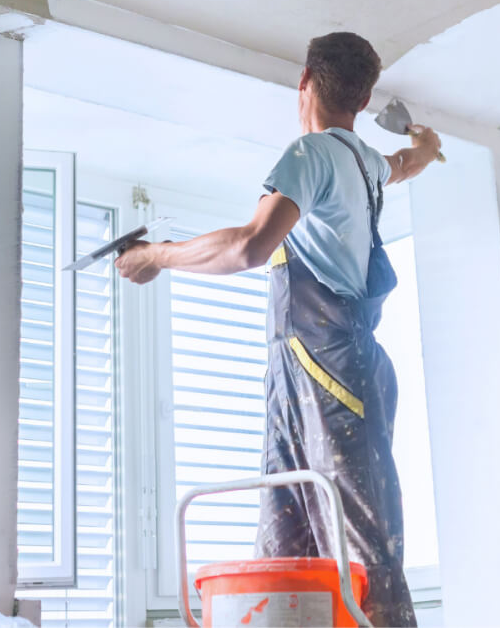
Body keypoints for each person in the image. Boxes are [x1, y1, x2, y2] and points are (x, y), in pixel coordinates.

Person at [114, 32, 441, 626]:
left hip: (331, 374)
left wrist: (156, 256)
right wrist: (425, 139)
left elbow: (247, 247)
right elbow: (408, 163)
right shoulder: (365, 163)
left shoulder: (310, 155)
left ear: (304, 82)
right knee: (287, 551)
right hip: (309, 375)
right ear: (363, 103)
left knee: (363, 560)